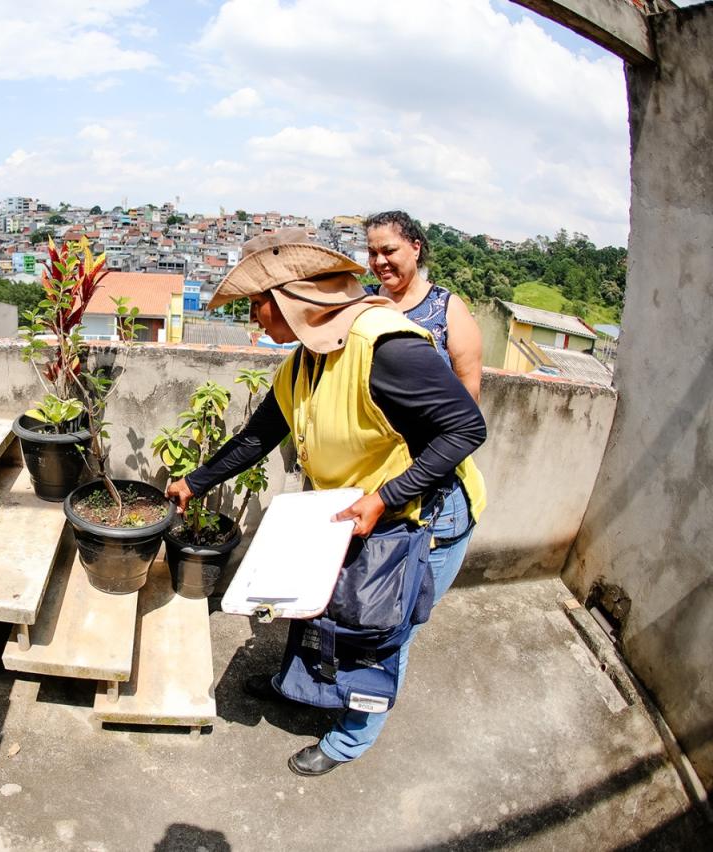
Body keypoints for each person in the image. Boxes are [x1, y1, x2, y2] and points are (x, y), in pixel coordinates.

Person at [166, 229, 487, 776]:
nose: (253, 318)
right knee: (324, 610)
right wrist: (195, 482)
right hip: (356, 514)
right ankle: (296, 685)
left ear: (288, 299)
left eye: (256, 304)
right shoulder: (306, 359)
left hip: (423, 518)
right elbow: (259, 435)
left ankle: (350, 738)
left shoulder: (386, 347)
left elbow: (466, 429)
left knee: (380, 633)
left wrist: (386, 497)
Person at [363, 211, 484, 401]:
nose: (379, 261)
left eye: (389, 251)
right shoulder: (363, 300)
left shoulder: (446, 308)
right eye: (373, 253)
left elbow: (469, 393)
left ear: (415, 248)